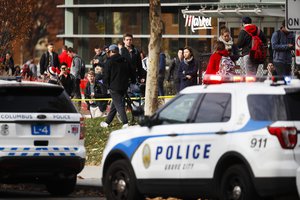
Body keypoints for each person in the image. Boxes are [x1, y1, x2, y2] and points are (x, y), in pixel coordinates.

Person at [100, 44, 135, 128]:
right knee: (115, 105)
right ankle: (107, 122)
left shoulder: (109, 61)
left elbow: (106, 76)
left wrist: (106, 85)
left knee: (119, 104)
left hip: (114, 87)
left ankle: (125, 123)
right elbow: (131, 71)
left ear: (111, 51)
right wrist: (131, 81)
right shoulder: (125, 60)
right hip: (124, 86)